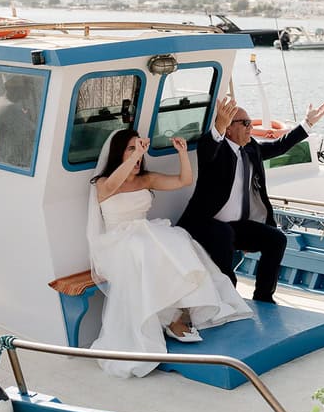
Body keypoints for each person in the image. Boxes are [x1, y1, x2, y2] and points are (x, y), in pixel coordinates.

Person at [87, 128, 252, 378]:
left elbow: (183, 181)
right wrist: (135, 156)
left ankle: (181, 312)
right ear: (119, 153)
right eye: (131, 149)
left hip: (144, 233)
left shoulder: (146, 179)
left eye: (139, 149)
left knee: (180, 241)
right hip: (116, 242)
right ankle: (170, 318)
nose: (138, 156)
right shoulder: (103, 183)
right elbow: (113, 184)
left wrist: (183, 153)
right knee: (146, 250)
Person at [177, 97, 324, 304]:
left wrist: (307, 123)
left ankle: (264, 297)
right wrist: (219, 126)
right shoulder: (215, 150)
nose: (251, 127)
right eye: (246, 123)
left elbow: (279, 146)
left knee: (277, 239)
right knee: (225, 233)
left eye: (250, 123)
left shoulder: (250, 149)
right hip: (203, 224)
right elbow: (206, 150)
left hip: (235, 227)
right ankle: (228, 296)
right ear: (229, 129)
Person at [0, 75, 36, 168]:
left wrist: (23, 116)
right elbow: (35, 134)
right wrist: (29, 118)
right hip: (11, 164)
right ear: (15, 88)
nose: (30, 90)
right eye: (27, 85)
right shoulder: (10, 108)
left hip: (0, 160)